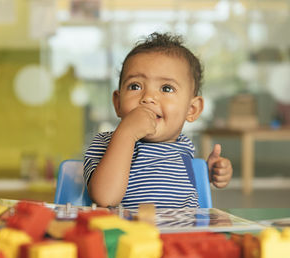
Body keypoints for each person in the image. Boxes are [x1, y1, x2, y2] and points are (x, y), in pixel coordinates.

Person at [84, 32, 233, 210]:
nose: (148, 97)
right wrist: (126, 134)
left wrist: (207, 173)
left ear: (191, 110)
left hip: (182, 234)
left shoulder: (184, 147)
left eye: (166, 88)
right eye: (135, 86)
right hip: (128, 234)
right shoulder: (105, 144)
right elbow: (105, 198)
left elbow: (179, 187)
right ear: (117, 103)